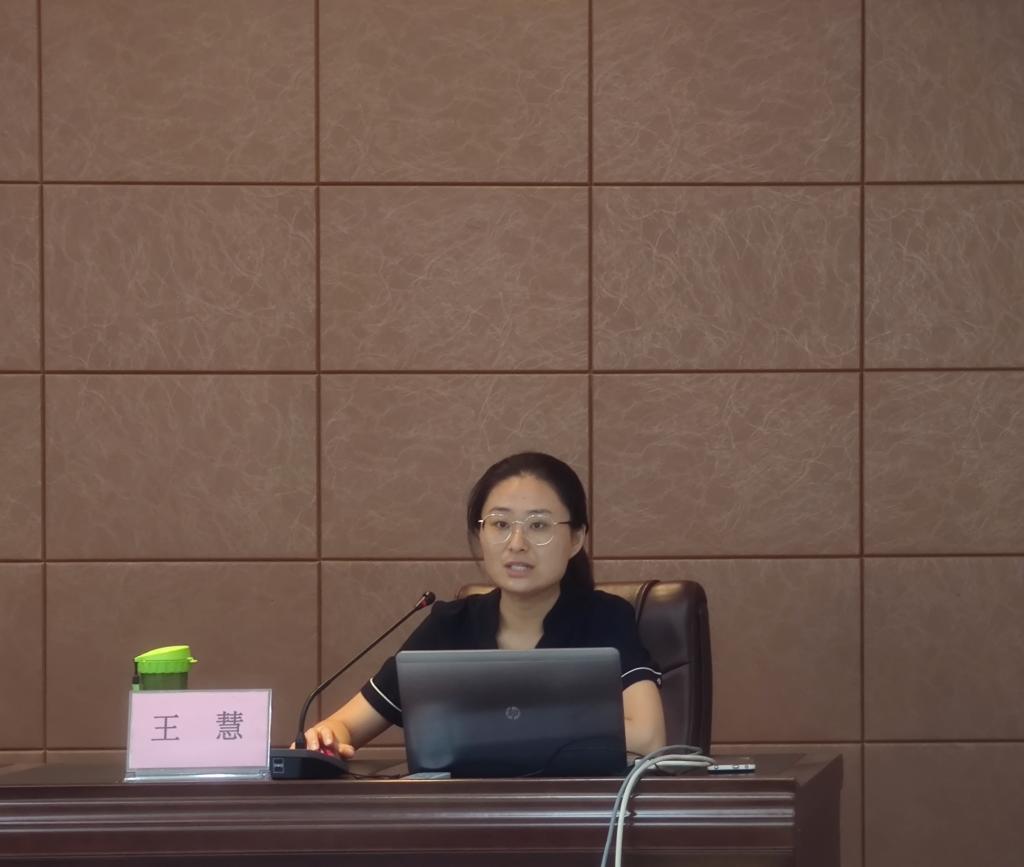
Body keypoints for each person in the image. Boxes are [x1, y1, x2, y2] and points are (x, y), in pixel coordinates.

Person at [300, 452, 666, 760]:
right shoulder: (450, 626)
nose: (517, 543)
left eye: (538, 525)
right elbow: (344, 726)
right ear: (480, 536)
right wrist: (328, 737)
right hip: (462, 817)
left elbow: (649, 738)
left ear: (576, 539)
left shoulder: (604, 619)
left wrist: (499, 729)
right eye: (500, 524)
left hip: (571, 815)